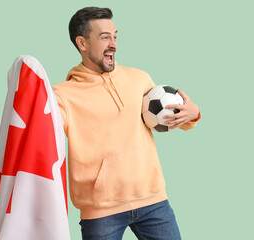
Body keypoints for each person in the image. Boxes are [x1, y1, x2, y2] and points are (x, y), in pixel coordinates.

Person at [53, 7, 201, 240]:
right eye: (105, 37)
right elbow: (41, 136)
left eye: (115, 36)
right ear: (82, 43)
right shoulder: (62, 95)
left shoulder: (139, 78)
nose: (114, 44)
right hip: (101, 212)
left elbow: (171, 118)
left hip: (154, 202)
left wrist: (192, 113)